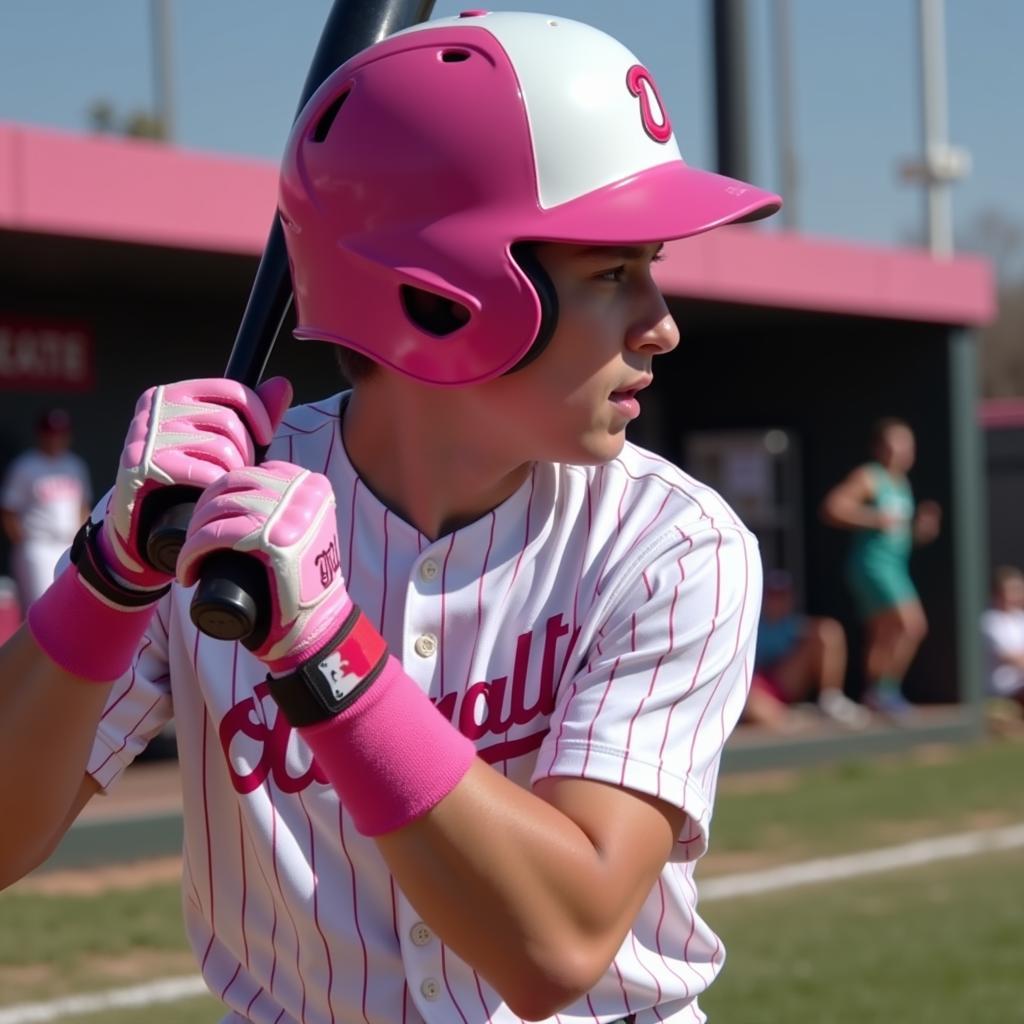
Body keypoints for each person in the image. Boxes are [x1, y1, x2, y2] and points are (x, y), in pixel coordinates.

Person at [0, 13, 781, 1024]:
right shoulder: (210, 511)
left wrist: (326, 654)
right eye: (612, 273)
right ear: (444, 298)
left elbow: (557, 947)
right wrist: (107, 577)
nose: (660, 323)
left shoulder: (674, 543)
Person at [820, 417, 941, 716]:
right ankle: (884, 691)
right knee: (912, 625)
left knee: (883, 633)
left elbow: (896, 536)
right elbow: (833, 507)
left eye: (906, 445)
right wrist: (874, 517)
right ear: (879, 448)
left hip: (894, 565)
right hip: (873, 566)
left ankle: (874, 695)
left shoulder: (902, 484)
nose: (900, 451)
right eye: (893, 444)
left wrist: (919, 534)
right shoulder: (869, 476)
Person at [746, 569, 869, 729]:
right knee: (751, 702)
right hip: (754, 689)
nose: (777, 601)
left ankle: (831, 699)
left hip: (784, 685)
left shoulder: (793, 625)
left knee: (828, 630)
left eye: (782, 595)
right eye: (772, 595)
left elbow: (825, 634)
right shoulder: (750, 624)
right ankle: (791, 718)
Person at [0, 408, 91, 609]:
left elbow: (83, 506)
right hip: (37, 545)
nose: (55, 439)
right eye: (51, 434)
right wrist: (22, 541)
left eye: (60, 434)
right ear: (41, 435)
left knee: (71, 605)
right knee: (41, 606)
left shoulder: (75, 465)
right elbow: (8, 510)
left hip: (68, 544)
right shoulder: (25, 465)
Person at [980, 565, 1024, 709]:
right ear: (998, 593)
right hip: (1002, 693)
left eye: (1019, 589)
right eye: (1012, 590)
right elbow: (1010, 658)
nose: (1017, 595)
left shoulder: (1020, 618)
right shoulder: (988, 621)